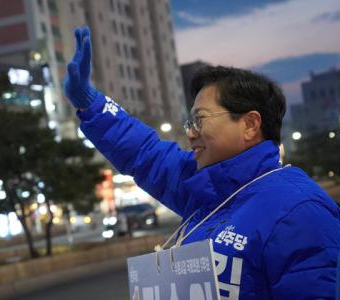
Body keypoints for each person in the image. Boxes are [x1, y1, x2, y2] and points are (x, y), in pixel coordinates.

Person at [64, 26, 340, 299]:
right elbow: (145, 154)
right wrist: (91, 104)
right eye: (189, 121)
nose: (190, 132)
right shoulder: (205, 188)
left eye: (200, 119)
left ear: (250, 124)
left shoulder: (300, 211)